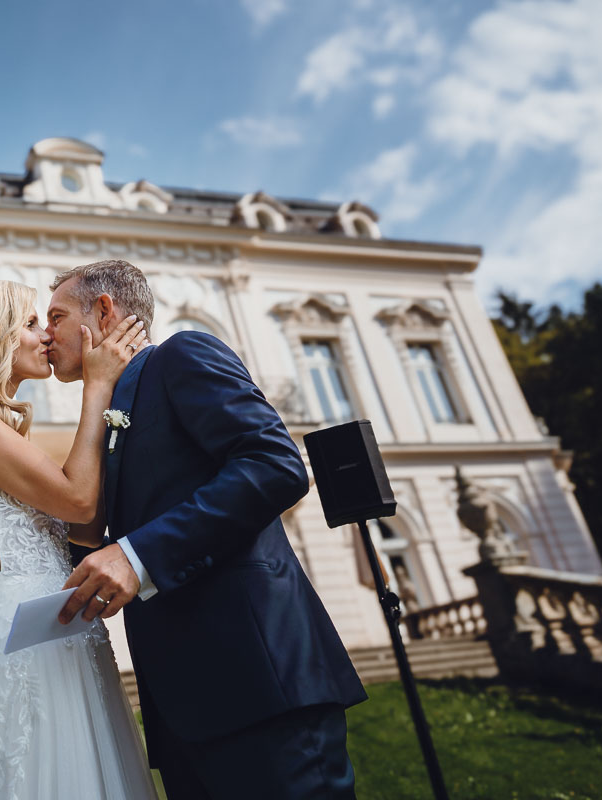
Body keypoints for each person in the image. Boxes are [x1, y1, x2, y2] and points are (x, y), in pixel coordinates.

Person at [47, 260, 368, 800]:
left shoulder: (182, 356)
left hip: (260, 687)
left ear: (103, 312)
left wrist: (137, 556)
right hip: (184, 716)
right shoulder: (111, 413)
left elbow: (275, 465)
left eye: (55, 316)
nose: (46, 332)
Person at [0, 280, 157, 800]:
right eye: (29, 324)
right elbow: (80, 501)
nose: (46, 336)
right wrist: (97, 388)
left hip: (63, 627)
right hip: (27, 640)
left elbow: (82, 529)